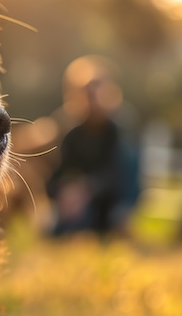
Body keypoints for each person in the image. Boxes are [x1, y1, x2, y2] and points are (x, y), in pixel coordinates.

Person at [46, 56, 140, 237]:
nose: (92, 98)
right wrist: (65, 191)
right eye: (85, 92)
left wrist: (87, 189)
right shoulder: (72, 134)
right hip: (81, 206)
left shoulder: (120, 130)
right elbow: (55, 176)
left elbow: (121, 177)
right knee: (59, 229)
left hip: (111, 203)